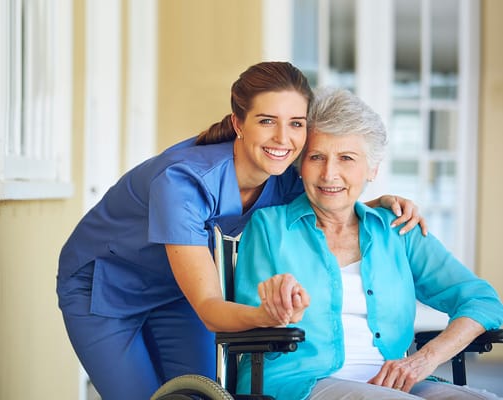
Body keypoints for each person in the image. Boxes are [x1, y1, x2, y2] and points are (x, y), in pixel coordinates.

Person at [56, 62, 426, 400]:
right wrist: (267, 316)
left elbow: (333, 197)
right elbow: (211, 309)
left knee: (205, 395)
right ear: (238, 123)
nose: (283, 138)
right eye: (267, 121)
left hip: (178, 290)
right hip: (106, 289)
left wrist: (379, 204)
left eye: (296, 123)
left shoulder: (286, 180)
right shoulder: (183, 182)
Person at [233, 86, 503, 400]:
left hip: (396, 385)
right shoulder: (270, 227)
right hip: (299, 383)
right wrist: (276, 307)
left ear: (372, 168)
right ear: (300, 165)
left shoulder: (398, 229)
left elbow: (482, 300)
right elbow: (252, 315)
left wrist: (425, 358)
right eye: (316, 157)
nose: (329, 174)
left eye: (346, 158)